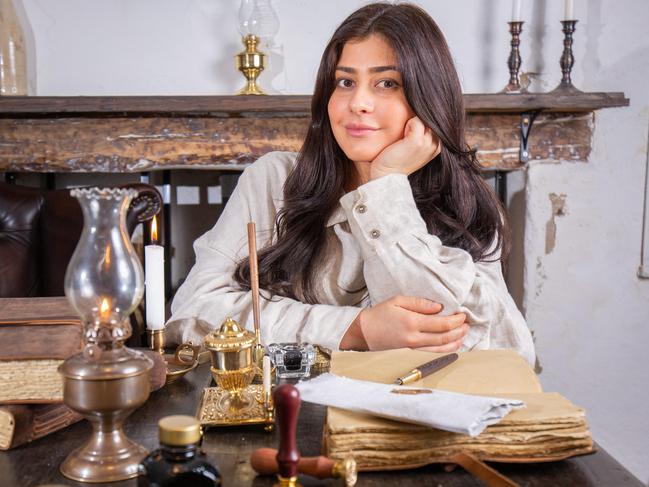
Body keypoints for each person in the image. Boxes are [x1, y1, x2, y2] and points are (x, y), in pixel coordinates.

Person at [166, 2, 535, 365]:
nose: (358, 102)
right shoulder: (274, 180)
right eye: (345, 82)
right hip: (286, 417)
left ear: (429, 98)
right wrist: (355, 329)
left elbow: (499, 349)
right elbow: (192, 310)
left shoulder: (468, 205)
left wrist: (386, 188)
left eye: (387, 83)